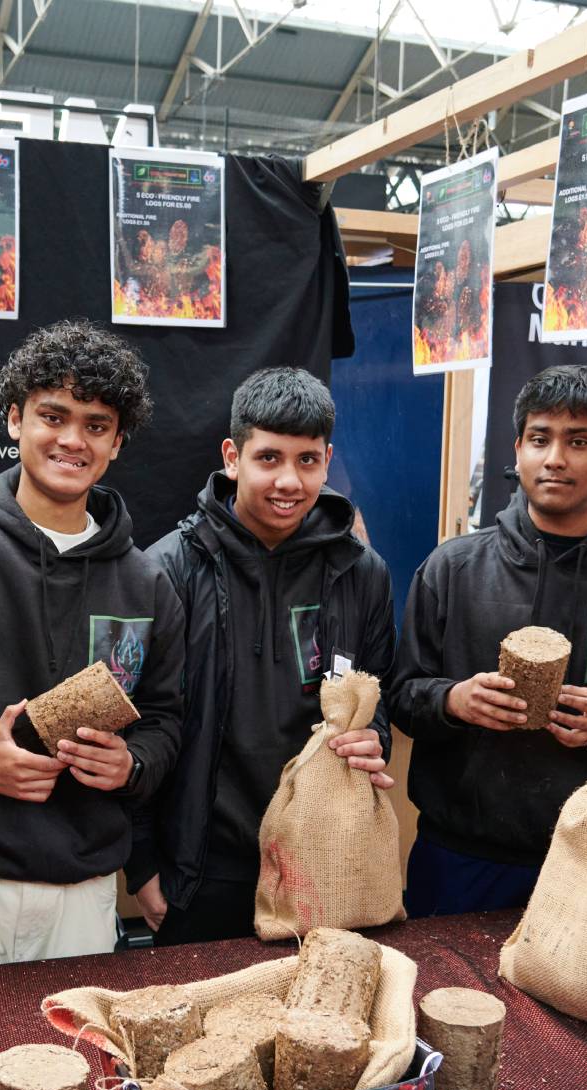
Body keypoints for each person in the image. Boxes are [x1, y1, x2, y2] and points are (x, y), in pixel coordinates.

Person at [0, 319, 183, 972]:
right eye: (54, 415)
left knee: (76, 1071)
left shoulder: (148, 582)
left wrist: (130, 766)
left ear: (117, 442)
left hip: (85, 891)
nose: (72, 439)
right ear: (16, 419)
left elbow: (165, 720)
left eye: (96, 424)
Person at [387, 364, 587, 917]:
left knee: (572, 1009)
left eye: (579, 441)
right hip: (462, 861)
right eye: (541, 439)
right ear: (518, 450)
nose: (555, 458)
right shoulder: (454, 569)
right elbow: (402, 697)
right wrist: (452, 701)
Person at [126, 367, 395, 944]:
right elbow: (142, 722)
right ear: (232, 456)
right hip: (200, 868)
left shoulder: (362, 574)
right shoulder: (166, 569)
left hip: (323, 860)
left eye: (307, 461)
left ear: (327, 460)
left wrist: (377, 739)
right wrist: (142, 860)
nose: (289, 481)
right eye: (269, 458)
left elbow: (381, 700)